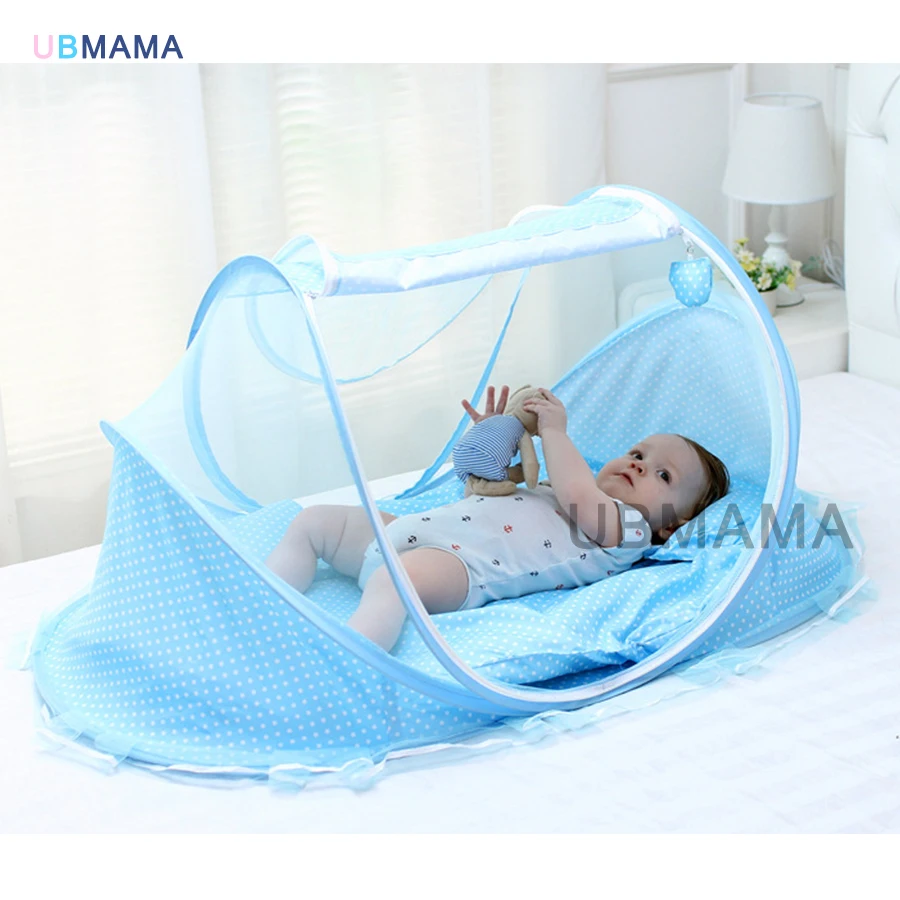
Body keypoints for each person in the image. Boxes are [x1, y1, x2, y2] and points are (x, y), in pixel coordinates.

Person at [265, 385, 730, 653]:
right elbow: (482, 496)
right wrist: (492, 442)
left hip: (462, 569)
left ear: (671, 524)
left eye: (663, 475)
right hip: (413, 530)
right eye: (638, 453)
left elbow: (578, 494)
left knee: (395, 579)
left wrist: (554, 430)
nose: (639, 466)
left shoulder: (630, 531)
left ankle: (350, 658)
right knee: (315, 522)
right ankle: (266, 599)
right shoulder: (550, 487)